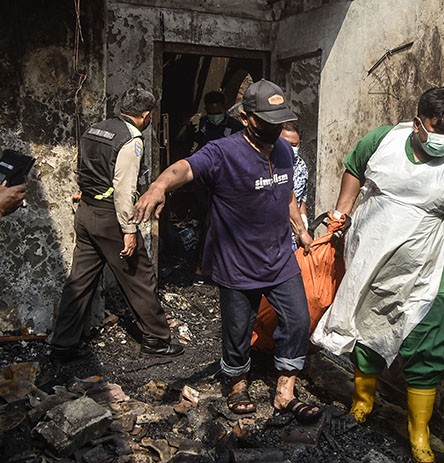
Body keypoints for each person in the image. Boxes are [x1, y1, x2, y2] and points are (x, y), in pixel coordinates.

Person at [311, 87, 444, 463]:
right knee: (366, 331)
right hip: (370, 258)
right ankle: (362, 402)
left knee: (427, 344)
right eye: (439, 130)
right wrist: (340, 213)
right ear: (417, 123)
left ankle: (419, 432)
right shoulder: (383, 140)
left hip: (422, 269)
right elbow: (354, 167)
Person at [131, 79, 321, 422]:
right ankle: (236, 382)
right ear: (248, 118)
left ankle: (285, 390)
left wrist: (301, 229)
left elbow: (287, 192)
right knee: (237, 329)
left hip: (279, 259)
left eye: (279, 121)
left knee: (298, 320)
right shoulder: (223, 151)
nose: (275, 128)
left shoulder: (282, 150)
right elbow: (185, 168)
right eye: (268, 121)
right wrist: (159, 186)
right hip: (237, 262)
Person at [51, 87, 184, 361]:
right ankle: (157, 340)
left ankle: (63, 344)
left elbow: (86, 169)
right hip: (110, 218)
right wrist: (129, 230)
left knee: (80, 280)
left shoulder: (95, 129)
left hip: (87, 212)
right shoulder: (131, 140)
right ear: (145, 115)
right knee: (139, 277)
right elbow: (124, 190)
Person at [191, 91, 244, 285]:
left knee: (223, 226)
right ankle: (204, 268)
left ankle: (216, 269)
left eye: (217, 110)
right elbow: (197, 148)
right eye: (210, 110)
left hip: (228, 184)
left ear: (224, 107)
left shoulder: (236, 128)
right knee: (207, 225)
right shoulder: (204, 124)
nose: (214, 114)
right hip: (205, 184)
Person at [279, 121, 309, 249]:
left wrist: (303, 220)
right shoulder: (269, 165)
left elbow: (301, 198)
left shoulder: (302, 167)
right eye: (285, 143)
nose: (289, 148)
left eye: (293, 145)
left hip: (293, 237)